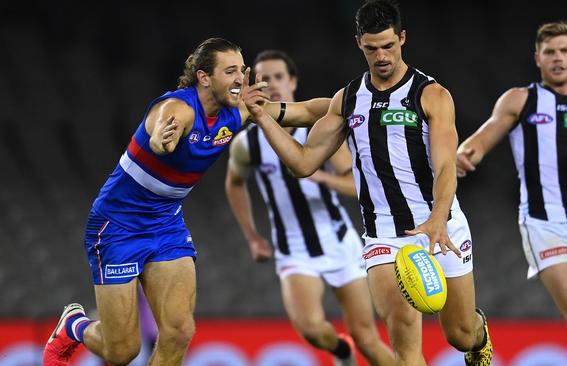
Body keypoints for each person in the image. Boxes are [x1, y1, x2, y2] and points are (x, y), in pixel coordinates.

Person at [42, 37, 331, 366]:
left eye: (242, 70)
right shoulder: (177, 108)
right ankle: (75, 325)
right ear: (204, 77)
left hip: (166, 224)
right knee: (122, 351)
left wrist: (354, 103)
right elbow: (161, 132)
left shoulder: (240, 110)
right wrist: (161, 141)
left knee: (179, 332)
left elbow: (305, 111)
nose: (240, 78)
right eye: (230, 71)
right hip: (117, 226)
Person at [240, 2, 492, 365]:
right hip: (384, 233)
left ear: (402, 38)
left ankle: (480, 333)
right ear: (359, 43)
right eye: (372, 48)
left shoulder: (431, 95)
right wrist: (261, 117)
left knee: (460, 334)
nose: (382, 56)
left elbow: (445, 167)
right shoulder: (349, 99)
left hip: (441, 223)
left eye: (388, 46)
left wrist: (438, 218)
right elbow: (303, 163)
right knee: (405, 341)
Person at [456, 21, 567, 366]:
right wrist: (466, 155)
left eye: (564, 51)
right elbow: (481, 139)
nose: (558, 58)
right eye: (550, 52)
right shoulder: (520, 100)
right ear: (537, 58)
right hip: (544, 225)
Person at [226, 49, 394, 366]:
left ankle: (356, 349)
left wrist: (320, 178)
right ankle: (340, 351)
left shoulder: (319, 133)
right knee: (311, 329)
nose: (271, 84)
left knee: (368, 339)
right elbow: (234, 183)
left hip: (339, 242)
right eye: (263, 79)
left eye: (278, 77)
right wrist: (251, 235)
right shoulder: (247, 143)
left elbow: (357, 185)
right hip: (294, 249)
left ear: (293, 82)